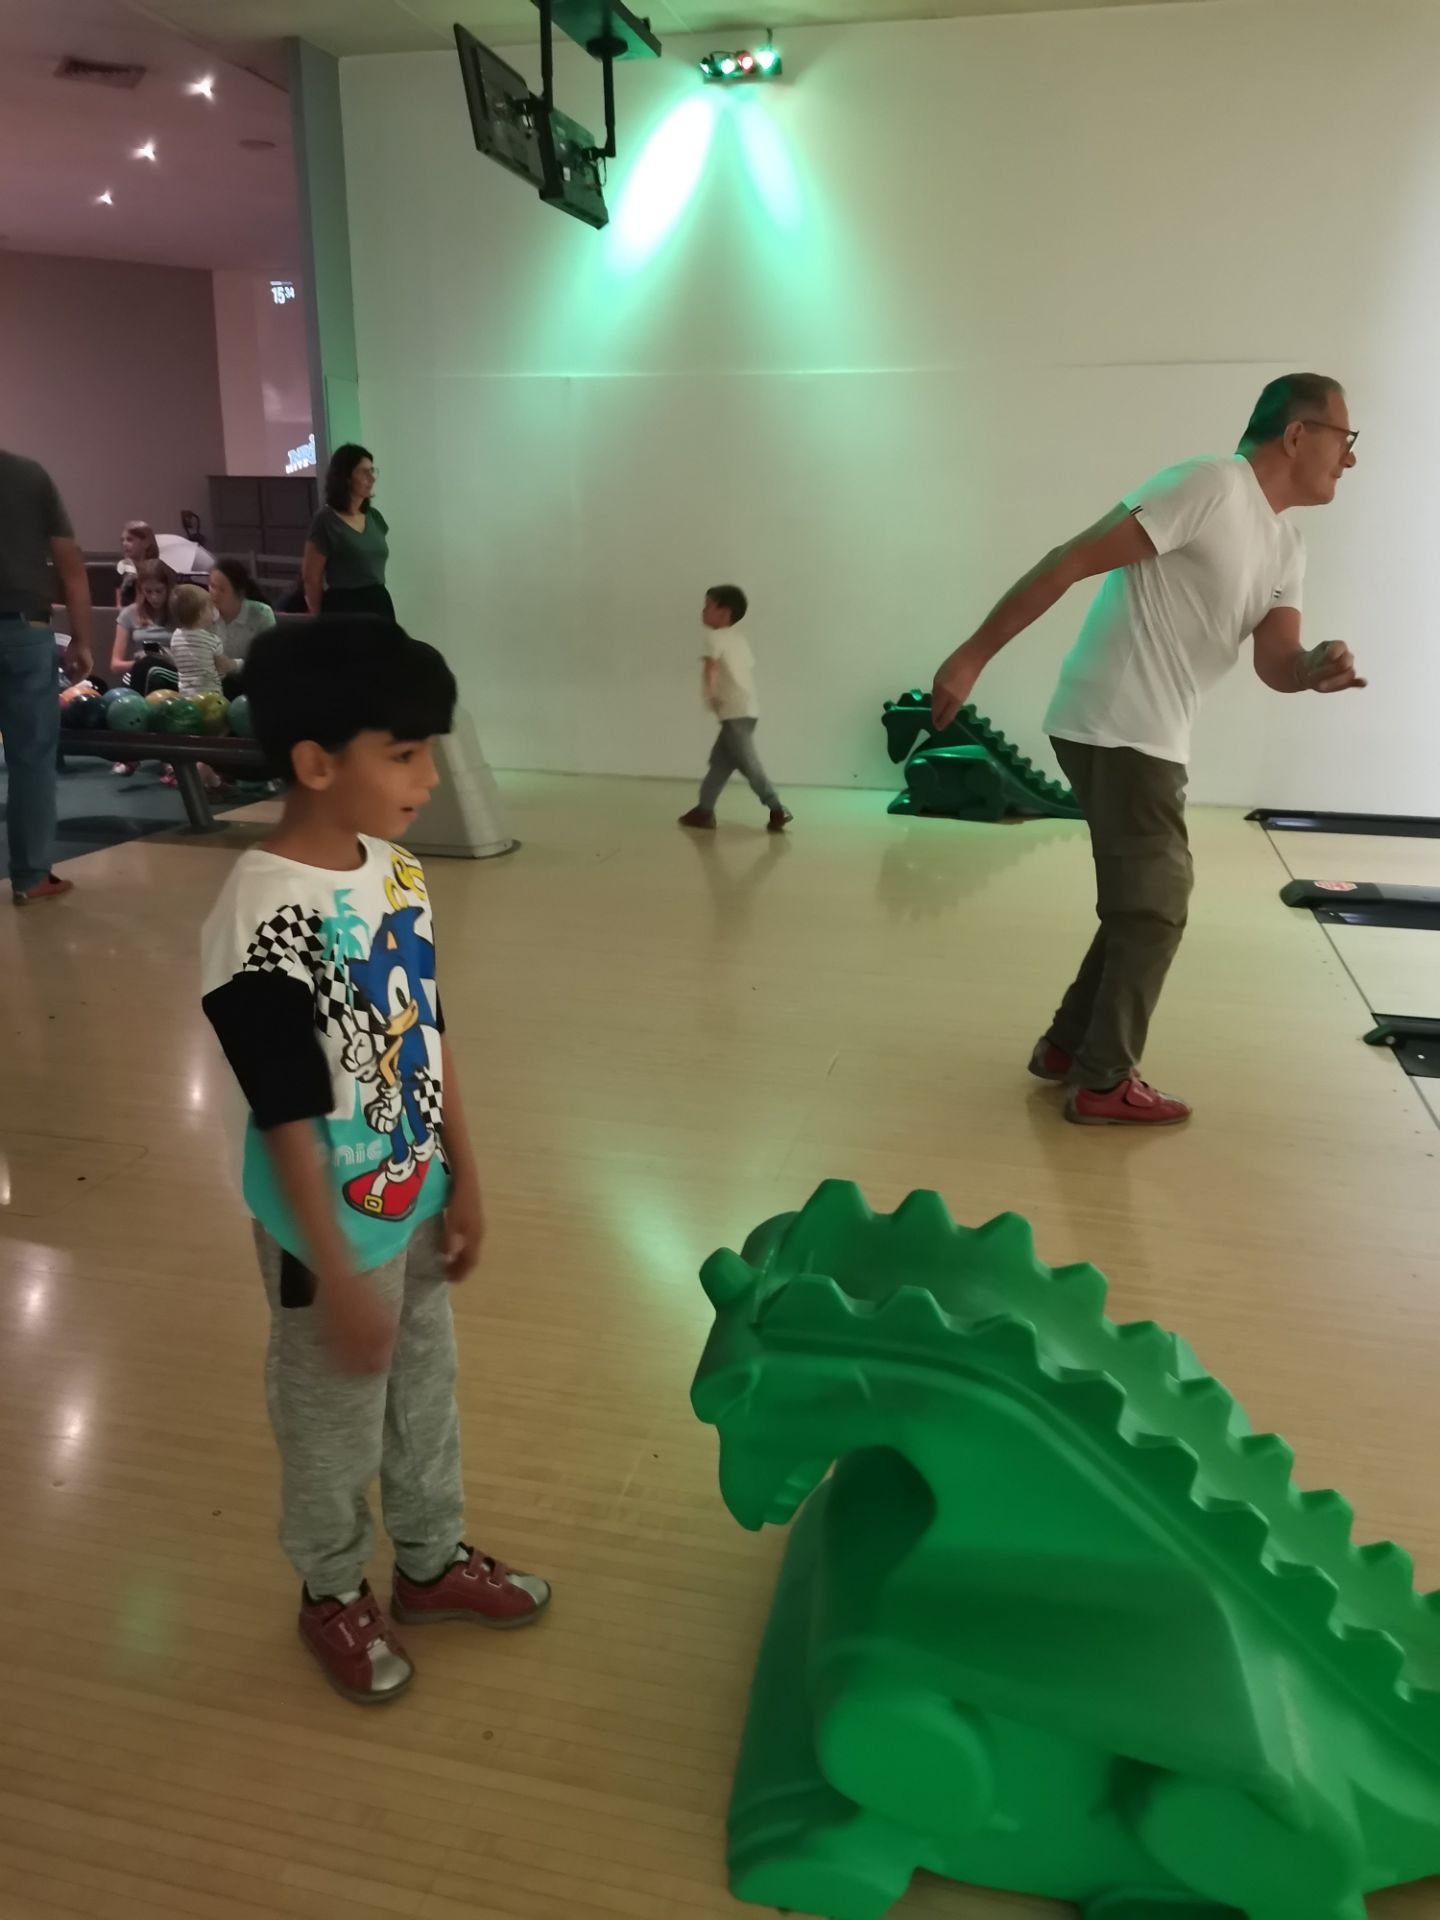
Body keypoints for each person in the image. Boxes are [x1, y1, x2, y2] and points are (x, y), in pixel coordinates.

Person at [199, 617, 550, 1703]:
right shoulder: (262, 915)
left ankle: (432, 1564)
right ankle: (330, 1589)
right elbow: (284, 1114)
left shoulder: (395, 873)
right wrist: (338, 1272)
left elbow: (427, 1036)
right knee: (330, 1419)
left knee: (424, 1390)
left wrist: (465, 1173)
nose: (428, 777)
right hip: (323, 1232)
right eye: (403, 753)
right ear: (316, 763)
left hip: (413, 1190)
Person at [930, 372, 1366, 1129]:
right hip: (1116, 718)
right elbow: (1072, 558)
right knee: (1158, 904)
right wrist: (972, 656)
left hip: (1152, 730)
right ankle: (1103, 1081)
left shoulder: (1286, 544)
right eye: (1344, 439)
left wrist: (1313, 667)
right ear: (1297, 434)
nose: (1350, 459)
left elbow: (1275, 660)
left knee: (1145, 903)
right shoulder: (1210, 484)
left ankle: (1069, 1048)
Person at [0, 447, 93, 905]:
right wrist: (82, 639)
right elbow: (70, 566)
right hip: (25, 630)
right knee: (31, 759)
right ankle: (31, 876)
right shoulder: (29, 475)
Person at [678, 584, 792, 834]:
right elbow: (745, 669)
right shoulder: (739, 639)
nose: (703, 610)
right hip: (747, 708)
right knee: (719, 763)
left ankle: (776, 808)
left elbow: (711, 667)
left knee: (749, 764)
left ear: (724, 612)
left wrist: (710, 694)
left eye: (708, 605)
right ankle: (704, 811)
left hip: (734, 711)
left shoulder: (714, 638)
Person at [302, 443, 394, 618]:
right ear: (346, 477)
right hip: (344, 605)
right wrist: (319, 620)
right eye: (363, 472)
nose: (371, 478)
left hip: (378, 600)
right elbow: (311, 578)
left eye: (372, 471)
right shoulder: (325, 520)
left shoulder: (374, 517)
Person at [112, 558, 178, 691]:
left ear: (169, 588)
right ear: (141, 590)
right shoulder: (129, 613)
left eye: (159, 591)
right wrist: (145, 664)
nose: (154, 597)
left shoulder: (180, 613)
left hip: (172, 674)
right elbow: (115, 665)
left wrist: (165, 661)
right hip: (139, 673)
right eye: (148, 591)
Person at [169, 583, 234, 697]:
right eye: (210, 608)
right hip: (211, 696)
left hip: (186, 696)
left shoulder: (175, 637)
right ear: (200, 614)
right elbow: (221, 670)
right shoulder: (213, 640)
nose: (213, 611)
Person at [116, 520, 160, 607]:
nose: (124, 544)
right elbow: (118, 606)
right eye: (122, 540)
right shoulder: (121, 570)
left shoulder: (157, 571)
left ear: (146, 543)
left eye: (129, 540)